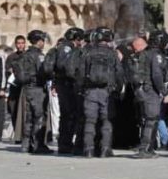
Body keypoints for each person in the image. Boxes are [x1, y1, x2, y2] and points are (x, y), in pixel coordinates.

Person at [81, 27, 122, 158]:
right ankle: (105, 149)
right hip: (107, 92)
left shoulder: (87, 52)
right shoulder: (112, 54)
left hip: (90, 91)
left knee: (90, 121)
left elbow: (81, 72)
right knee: (107, 121)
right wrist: (119, 88)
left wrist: (81, 89)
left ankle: (88, 149)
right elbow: (119, 73)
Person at [13, 30, 53, 154]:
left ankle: (26, 145)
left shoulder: (24, 54)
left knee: (29, 117)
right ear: (39, 41)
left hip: (27, 89)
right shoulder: (39, 55)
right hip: (38, 89)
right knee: (39, 117)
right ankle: (38, 145)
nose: (43, 43)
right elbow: (45, 71)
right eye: (42, 41)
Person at [133, 31, 168, 159]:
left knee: (151, 119)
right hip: (151, 90)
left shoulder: (146, 52)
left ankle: (150, 148)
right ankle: (145, 148)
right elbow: (157, 74)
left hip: (144, 89)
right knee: (151, 120)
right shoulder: (155, 55)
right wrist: (164, 91)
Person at [49, 27, 85, 154]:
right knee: (68, 115)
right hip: (66, 84)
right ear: (76, 39)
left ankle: (65, 143)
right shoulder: (67, 48)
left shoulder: (63, 47)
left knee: (67, 115)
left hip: (63, 84)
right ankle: (65, 144)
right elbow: (63, 65)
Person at [5, 36, 26, 142]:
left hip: (24, 88)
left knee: (23, 112)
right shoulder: (11, 57)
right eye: (18, 43)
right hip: (13, 88)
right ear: (15, 44)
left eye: (22, 43)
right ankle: (17, 135)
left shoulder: (28, 56)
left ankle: (24, 135)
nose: (20, 45)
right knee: (13, 111)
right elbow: (6, 72)